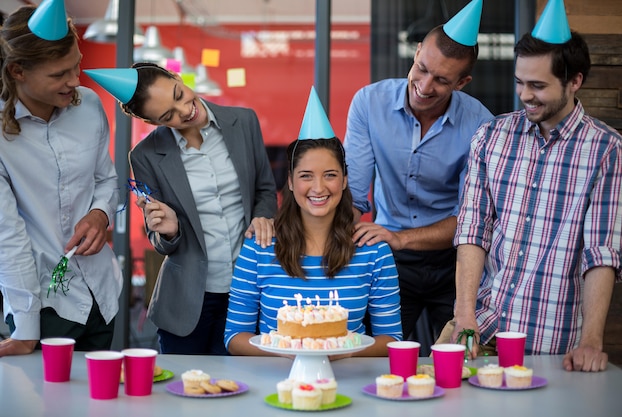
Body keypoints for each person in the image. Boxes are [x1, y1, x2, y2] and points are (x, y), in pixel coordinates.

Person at [449, 0, 622, 372]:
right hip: (481, 329)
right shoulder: (491, 136)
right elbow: (473, 229)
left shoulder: (607, 150)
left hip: (550, 343)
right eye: (519, 82)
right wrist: (464, 314)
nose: (525, 94)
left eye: (538, 85)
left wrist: (591, 341)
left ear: (574, 81)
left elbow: (602, 252)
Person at [84, 63, 277, 355]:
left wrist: (263, 215)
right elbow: (158, 238)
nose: (184, 110)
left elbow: (264, 188)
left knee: (244, 384)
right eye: (167, 116)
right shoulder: (145, 155)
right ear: (153, 123)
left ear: (177, 77)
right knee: (184, 391)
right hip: (186, 301)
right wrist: (170, 230)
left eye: (179, 94)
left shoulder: (244, 121)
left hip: (248, 290)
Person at [343, 0, 493, 352]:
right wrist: (339, 248)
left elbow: (473, 219)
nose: (424, 86)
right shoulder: (368, 103)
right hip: (388, 259)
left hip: (455, 262)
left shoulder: (482, 125)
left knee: (462, 363)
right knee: (369, 357)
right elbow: (353, 197)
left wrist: (401, 238)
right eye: (422, 68)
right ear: (415, 53)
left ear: (463, 82)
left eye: (441, 80)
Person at [224, 88, 402, 356]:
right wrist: (293, 354)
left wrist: (339, 352)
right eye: (306, 176)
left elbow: (391, 338)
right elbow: (235, 336)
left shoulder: (373, 250)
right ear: (291, 183)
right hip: (275, 383)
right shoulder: (259, 247)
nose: (318, 188)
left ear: (344, 181)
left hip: (350, 381)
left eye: (330, 175)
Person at [0, 1, 122, 356]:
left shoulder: (90, 106)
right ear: (18, 71)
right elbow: (8, 237)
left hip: (103, 295)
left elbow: (106, 180)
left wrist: (100, 214)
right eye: (58, 75)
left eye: (77, 67)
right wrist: (26, 328)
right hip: (44, 306)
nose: (74, 82)